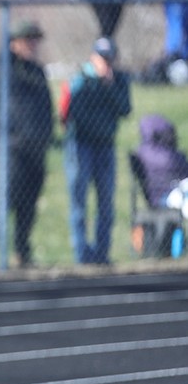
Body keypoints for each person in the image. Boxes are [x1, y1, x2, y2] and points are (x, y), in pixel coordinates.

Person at [0, 21, 54, 267]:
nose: (32, 45)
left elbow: (46, 108)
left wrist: (46, 133)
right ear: (14, 43)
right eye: (27, 40)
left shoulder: (37, 72)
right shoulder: (2, 69)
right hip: (13, 148)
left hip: (36, 148)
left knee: (29, 205)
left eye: (35, 41)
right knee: (4, 199)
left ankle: (22, 252)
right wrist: (8, 124)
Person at [59, 37, 132, 264]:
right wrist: (94, 84)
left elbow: (125, 109)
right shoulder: (81, 79)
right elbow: (73, 111)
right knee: (79, 201)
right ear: (93, 57)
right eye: (102, 58)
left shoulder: (118, 80)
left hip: (105, 146)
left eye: (110, 59)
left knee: (106, 203)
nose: (106, 64)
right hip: (80, 146)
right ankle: (82, 254)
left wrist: (108, 87)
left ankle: (102, 253)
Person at [135, 113, 188, 215]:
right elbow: (179, 166)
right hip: (168, 195)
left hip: (176, 191)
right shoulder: (160, 155)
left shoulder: (146, 151)